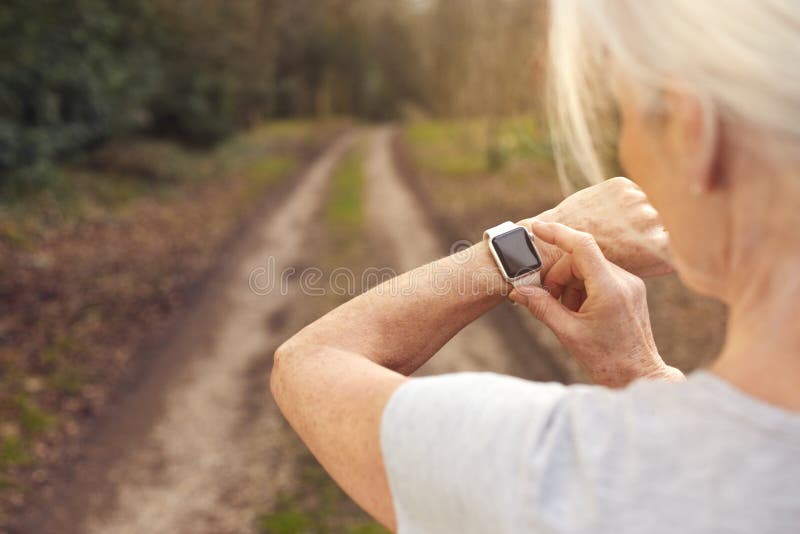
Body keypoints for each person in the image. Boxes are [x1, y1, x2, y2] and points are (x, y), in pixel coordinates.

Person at [271, 1, 800, 532]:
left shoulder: (555, 475)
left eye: (625, 116)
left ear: (691, 132)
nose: (625, 150)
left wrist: (529, 243)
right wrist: (641, 375)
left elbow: (308, 362)